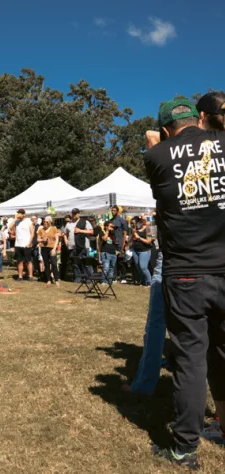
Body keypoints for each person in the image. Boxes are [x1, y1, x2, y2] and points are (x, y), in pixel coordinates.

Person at [144, 97, 225, 469]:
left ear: (165, 129)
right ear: (201, 118)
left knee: (191, 359)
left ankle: (184, 448)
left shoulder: (157, 156)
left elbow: (157, 151)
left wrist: (157, 142)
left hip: (186, 273)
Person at [65, 208, 93, 283]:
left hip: (83, 246)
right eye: (73, 213)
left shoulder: (85, 222)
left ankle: (88, 278)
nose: (74, 215)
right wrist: (66, 242)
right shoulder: (69, 224)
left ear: (78, 213)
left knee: (85, 263)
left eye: (76, 213)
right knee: (75, 263)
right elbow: (65, 234)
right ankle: (78, 278)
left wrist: (80, 231)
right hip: (72, 247)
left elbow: (91, 232)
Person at [9, 209, 34, 282]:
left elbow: (32, 233)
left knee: (28, 261)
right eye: (18, 213)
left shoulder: (29, 222)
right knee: (19, 261)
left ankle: (30, 276)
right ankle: (20, 277)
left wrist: (29, 243)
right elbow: (10, 227)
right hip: (18, 244)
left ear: (24, 214)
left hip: (26, 245)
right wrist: (15, 219)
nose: (19, 214)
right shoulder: (16, 221)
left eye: (20, 213)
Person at [129, 216, 152, 287]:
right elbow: (130, 239)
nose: (142, 221)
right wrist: (133, 234)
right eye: (141, 220)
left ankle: (149, 282)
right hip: (135, 250)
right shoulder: (136, 229)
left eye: (144, 219)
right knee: (138, 267)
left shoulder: (149, 229)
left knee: (143, 267)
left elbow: (148, 241)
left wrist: (138, 237)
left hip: (144, 251)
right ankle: (142, 281)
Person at [37, 216, 60, 285]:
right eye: (44, 221)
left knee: (54, 264)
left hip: (52, 248)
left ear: (50, 222)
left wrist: (54, 248)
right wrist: (42, 240)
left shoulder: (54, 229)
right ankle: (48, 279)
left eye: (47, 222)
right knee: (46, 264)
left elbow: (57, 239)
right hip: (44, 248)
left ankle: (56, 279)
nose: (45, 223)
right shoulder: (41, 230)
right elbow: (38, 239)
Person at [110, 206, 128, 283]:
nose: (112, 211)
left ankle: (123, 277)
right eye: (112, 210)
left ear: (117, 211)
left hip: (120, 243)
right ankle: (114, 277)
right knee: (113, 260)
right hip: (113, 243)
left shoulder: (122, 220)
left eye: (114, 210)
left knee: (121, 261)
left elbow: (125, 233)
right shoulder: (110, 220)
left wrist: (123, 244)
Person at [98, 220, 117, 285]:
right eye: (110, 226)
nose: (112, 227)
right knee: (106, 267)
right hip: (105, 252)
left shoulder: (113, 233)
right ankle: (103, 281)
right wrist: (107, 231)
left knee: (112, 268)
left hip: (113, 253)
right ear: (106, 227)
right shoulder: (101, 232)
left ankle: (110, 281)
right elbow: (104, 239)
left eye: (112, 226)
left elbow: (115, 242)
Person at [60, 215, 72, 281]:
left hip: (71, 245)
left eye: (68, 221)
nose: (66, 222)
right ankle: (62, 276)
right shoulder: (63, 227)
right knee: (63, 261)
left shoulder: (72, 226)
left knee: (71, 261)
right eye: (65, 221)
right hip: (64, 246)